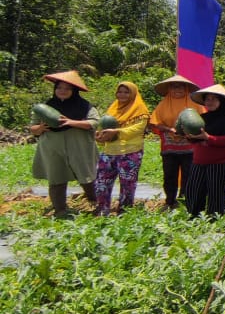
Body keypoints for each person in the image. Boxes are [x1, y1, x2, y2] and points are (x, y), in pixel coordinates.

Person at [29, 70, 99, 217]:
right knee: (56, 178)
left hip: (79, 146)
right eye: (59, 88)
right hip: (52, 148)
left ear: (74, 91)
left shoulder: (85, 106)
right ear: (55, 90)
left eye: (67, 89)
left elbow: (94, 122)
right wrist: (40, 128)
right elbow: (33, 128)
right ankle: (60, 210)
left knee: (86, 177)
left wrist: (71, 122)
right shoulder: (45, 107)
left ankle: (94, 201)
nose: (62, 91)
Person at [93, 81, 150, 216]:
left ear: (133, 93)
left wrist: (117, 131)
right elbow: (104, 127)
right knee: (102, 182)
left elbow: (137, 129)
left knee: (127, 184)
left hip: (130, 152)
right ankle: (102, 209)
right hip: (109, 151)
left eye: (126, 92)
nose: (122, 95)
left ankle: (124, 212)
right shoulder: (113, 108)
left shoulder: (140, 109)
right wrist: (100, 136)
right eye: (120, 92)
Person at [149, 74, 205, 210]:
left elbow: (202, 121)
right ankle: (170, 201)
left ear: (186, 89)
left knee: (189, 173)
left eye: (180, 86)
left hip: (190, 145)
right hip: (169, 146)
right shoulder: (163, 104)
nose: (177, 89)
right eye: (174, 87)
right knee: (169, 174)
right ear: (169, 89)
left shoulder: (195, 104)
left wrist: (190, 131)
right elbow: (155, 123)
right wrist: (169, 129)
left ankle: (185, 200)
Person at [184, 84, 225, 219]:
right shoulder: (201, 118)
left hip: (220, 161)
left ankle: (214, 218)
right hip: (199, 159)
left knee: (216, 190)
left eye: (214, 99)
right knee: (194, 189)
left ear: (221, 102)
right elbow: (195, 139)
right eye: (207, 99)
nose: (210, 102)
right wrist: (190, 137)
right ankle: (194, 216)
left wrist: (208, 138)